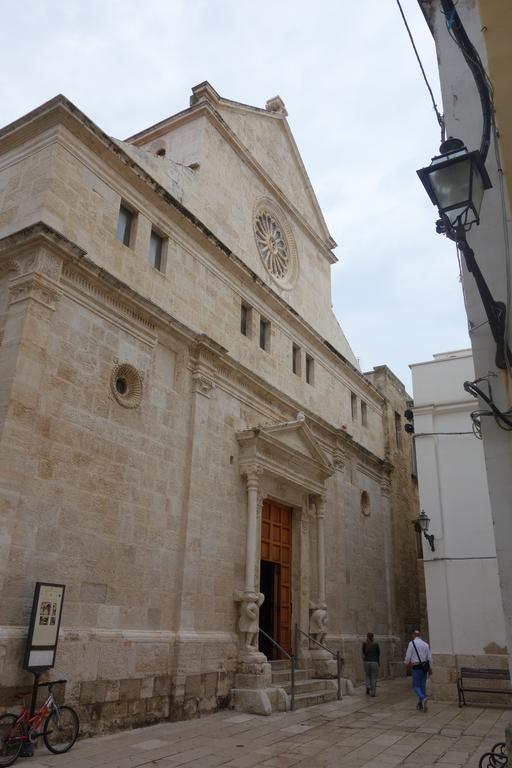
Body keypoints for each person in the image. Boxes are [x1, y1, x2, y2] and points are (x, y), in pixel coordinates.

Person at [404, 629, 432, 711]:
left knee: (415, 686)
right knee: (422, 685)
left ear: (413, 635)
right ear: (420, 635)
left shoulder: (411, 644)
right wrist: (430, 668)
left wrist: (406, 663)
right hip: (424, 667)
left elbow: (408, 656)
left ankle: (423, 698)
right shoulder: (426, 644)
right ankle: (420, 704)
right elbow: (429, 658)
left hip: (416, 667)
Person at [362, 632, 380, 697]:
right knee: (373, 677)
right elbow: (378, 654)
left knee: (367, 675)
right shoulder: (376, 644)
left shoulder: (364, 644)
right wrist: (378, 662)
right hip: (374, 662)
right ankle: (373, 693)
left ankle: (368, 686)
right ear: (373, 637)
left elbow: (363, 653)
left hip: (366, 662)